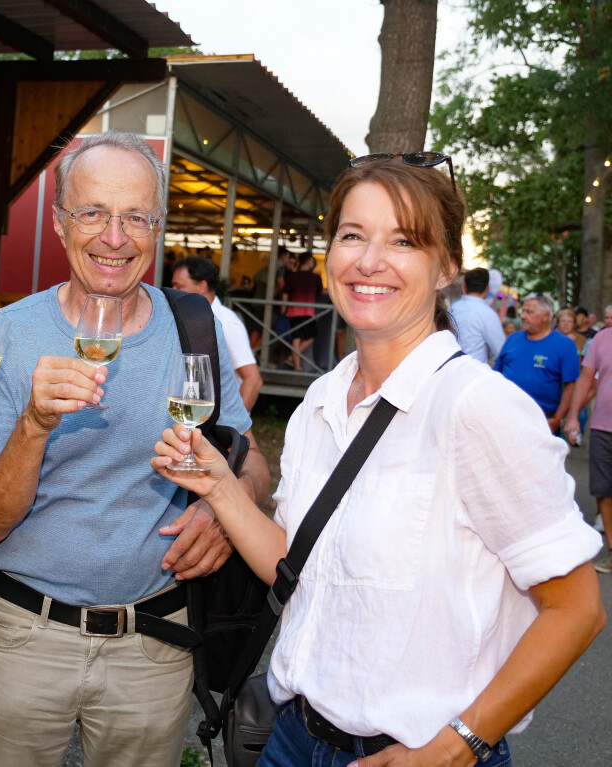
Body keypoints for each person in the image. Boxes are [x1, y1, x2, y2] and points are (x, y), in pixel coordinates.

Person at [152, 153, 605, 767]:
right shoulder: (321, 399)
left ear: (447, 265)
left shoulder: (477, 407)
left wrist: (460, 745)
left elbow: (576, 608)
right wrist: (221, 488)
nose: (369, 262)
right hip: (292, 736)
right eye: (353, 235)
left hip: (418, 754)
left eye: (403, 241)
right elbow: (296, 563)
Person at [0, 131, 270, 767]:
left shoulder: (192, 329)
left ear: (157, 227)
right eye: (93, 213)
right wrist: (35, 425)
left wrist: (223, 510)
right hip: (24, 639)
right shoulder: (7, 334)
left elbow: (251, 460)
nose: (115, 237)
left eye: (136, 217)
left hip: (154, 645)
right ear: (59, 222)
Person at [171, 255, 261, 410]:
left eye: (179, 286)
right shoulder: (195, 317)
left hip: (219, 420)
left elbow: (253, 379)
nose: (173, 291)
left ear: (202, 286)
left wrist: (236, 426)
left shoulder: (225, 322)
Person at [565, 304, 612, 574]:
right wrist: (573, 416)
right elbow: (585, 380)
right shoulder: (600, 340)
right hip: (603, 426)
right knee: (603, 490)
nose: (608, 322)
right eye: (607, 318)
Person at [494, 294, 580, 434]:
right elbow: (496, 374)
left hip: (542, 424)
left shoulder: (565, 345)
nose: (522, 316)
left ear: (546, 316)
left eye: (529, 312)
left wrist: (558, 419)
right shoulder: (513, 339)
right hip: (505, 418)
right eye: (523, 311)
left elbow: (570, 387)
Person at [449, 266, 506, 365]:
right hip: (474, 373)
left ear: (464, 287)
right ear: (488, 288)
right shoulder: (487, 314)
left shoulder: (451, 309)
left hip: (449, 371)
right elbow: (501, 350)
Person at [282, 252, 322, 371]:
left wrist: (283, 311)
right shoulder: (315, 277)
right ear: (309, 261)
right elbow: (319, 293)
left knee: (296, 337)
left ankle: (295, 363)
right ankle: (293, 360)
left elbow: (285, 294)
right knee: (311, 335)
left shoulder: (292, 277)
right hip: (308, 311)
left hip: (293, 311)